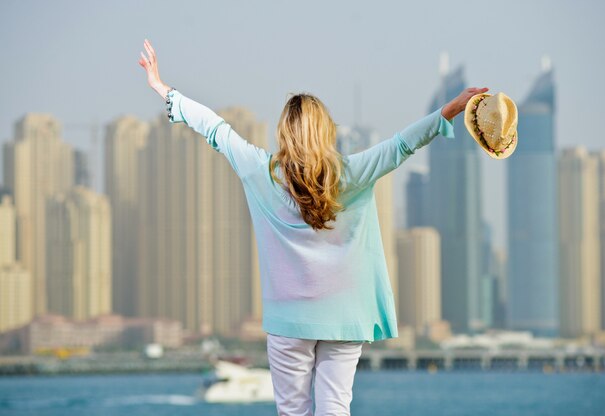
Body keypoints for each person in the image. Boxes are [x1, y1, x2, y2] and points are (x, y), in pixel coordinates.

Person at [138, 38, 487, 416]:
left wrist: (163, 89)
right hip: (345, 315)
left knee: (293, 412)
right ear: (326, 130)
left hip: (289, 320)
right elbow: (402, 145)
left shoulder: (260, 171)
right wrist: (448, 111)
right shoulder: (351, 174)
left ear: (284, 133)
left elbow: (215, 129)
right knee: (336, 408)